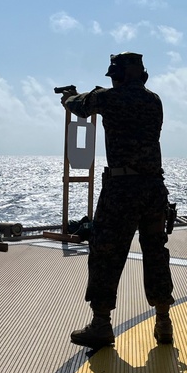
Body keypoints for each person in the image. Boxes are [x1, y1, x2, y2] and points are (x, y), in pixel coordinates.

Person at [60, 52, 175, 349]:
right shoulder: (155, 101)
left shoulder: (109, 98)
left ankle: (101, 323)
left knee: (105, 253)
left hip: (122, 188)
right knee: (156, 253)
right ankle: (163, 320)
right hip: (153, 187)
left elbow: (80, 107)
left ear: (117, 76)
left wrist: (69, 98)